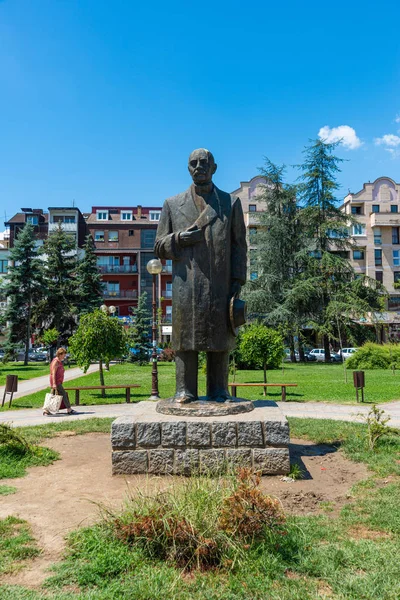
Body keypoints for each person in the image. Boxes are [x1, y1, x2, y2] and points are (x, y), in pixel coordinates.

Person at [155, 148, 247, 403]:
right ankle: (185, 389)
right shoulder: (172, 204)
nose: (199, 167)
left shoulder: (230, 203)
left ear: (214, 168)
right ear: (188, 168)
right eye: (193, 163)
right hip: (185, 284)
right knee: (186, 337)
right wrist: (179, 239)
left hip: (220, 283)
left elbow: (239, 245)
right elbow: (159, 246)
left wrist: (238, 281)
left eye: (204, 163)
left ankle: (219, 389)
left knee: (219, 336)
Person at [43, 348, 78, 415]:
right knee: (64, 394)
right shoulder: (56, 362)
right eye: (64, 355)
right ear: (60, 354)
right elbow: (53, 373)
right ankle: (69, 409)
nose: (64, 356)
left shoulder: (59, 361)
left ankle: (46, 410)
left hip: (57, 381)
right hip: (56, 382)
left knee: (52, 395)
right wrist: (54, 383)